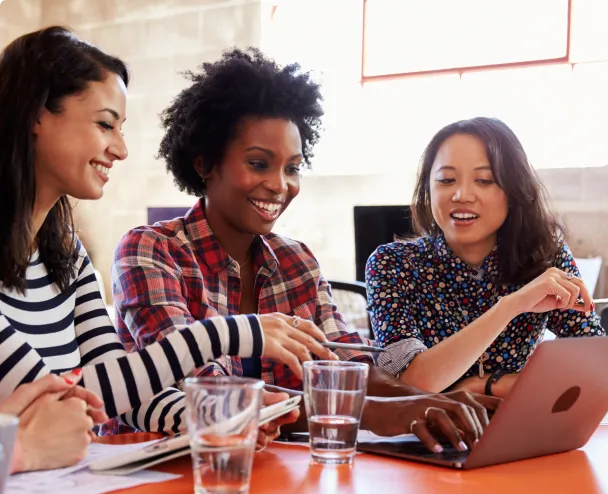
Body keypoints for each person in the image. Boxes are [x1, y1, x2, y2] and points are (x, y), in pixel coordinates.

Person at [112, 48, 498, 454]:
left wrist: (426, 402)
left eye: (292, 168)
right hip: (162, 477)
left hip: (273, 478)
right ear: (205, 162)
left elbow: (347, 365)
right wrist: (376, 413)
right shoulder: (150, 251)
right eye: (259, 163)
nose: (280, 185)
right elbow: (208, 393)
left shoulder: (296, 262)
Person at [0, 26, 337, 449]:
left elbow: (120, 395)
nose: (121, 149)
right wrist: (232, 333)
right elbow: (59, 401)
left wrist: (222, 413)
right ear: (36, 113)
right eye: (106, 125)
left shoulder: (67, 254)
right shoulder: (149, 249)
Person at [367, 117, 605, 399]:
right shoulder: (392, 264)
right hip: (428, 436)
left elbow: (596, 367)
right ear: (428, 189)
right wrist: (509, 307)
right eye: (446, 180)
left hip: (523, 431)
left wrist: (487, 385)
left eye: (484, 180)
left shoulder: (545, 257)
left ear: (513, 190)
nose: (462, 194)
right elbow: (406, 385)